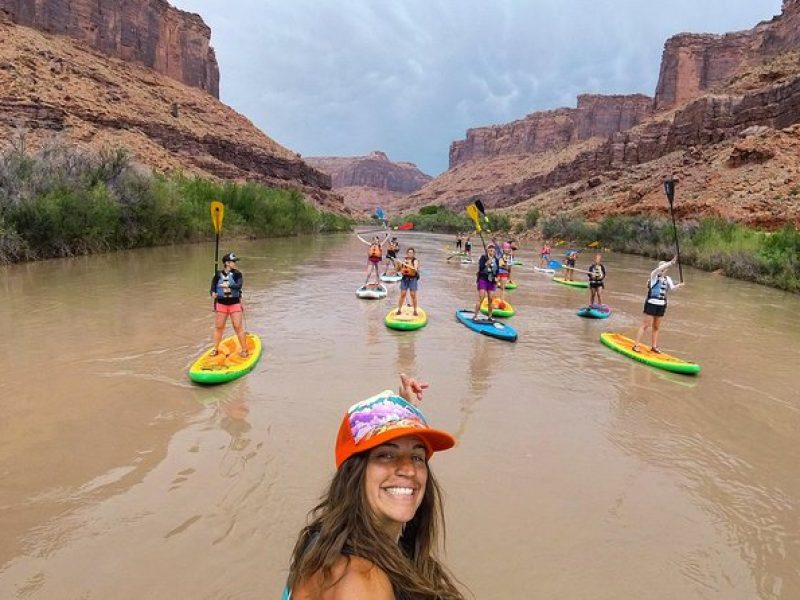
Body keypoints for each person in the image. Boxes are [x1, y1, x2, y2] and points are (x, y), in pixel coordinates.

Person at [285, 374, 464, 600]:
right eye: (386, 455)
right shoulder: (361, 582)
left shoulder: (325, 538)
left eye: (417, 456)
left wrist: (403, 406)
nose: (409, 470)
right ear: (354, 473)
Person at [632, 256, 685, 353]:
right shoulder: (653, 276)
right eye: (661, 268)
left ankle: (654, 346)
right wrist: (671, 262)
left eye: (664, 269)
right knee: (645, 325)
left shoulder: (667, 279)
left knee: (656, 327)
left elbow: (672, 289)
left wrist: (679, 286)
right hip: (651, 304)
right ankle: (636, 345)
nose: (662, 270)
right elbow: (659, 269)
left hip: (662, 305)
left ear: (666, 270)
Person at [209, 252, 248, 358]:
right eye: (233, 261)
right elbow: (213, 287)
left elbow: (239, 286)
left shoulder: (237, 274)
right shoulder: (217, 275)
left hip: (234, 303)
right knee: (219, 327)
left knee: (237, 326)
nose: (235, 263)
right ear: (227, 263)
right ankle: (215, 349)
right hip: (221, 304)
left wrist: (228, 284)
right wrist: (212, 293)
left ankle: (244, 350)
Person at [473, 243, 500, 322]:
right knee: (481, 298)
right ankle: (475, 315)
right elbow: (481, 268)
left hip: (491, 281)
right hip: (483, 279)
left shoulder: (497, 260)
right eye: (490, 249)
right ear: (487, 250)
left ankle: (490, 316)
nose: (492, 250)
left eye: (493, 249)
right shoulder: (483, 258)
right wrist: (488, 261)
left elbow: (497, 271)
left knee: (491, 299)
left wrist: (497, 278)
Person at [395, 248, 420, 317]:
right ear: (407, 253)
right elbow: (398, 270)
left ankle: (415, 310)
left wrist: (410, 265)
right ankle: (399, 310)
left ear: (413, 254)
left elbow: (415, 268)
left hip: (412, 279)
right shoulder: (404, 261)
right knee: (402, 294)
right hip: (404, 279)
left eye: (411, 253)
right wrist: (397, 263)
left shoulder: (415, 261)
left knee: (413, 295)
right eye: (409, 252)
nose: (410, 254)